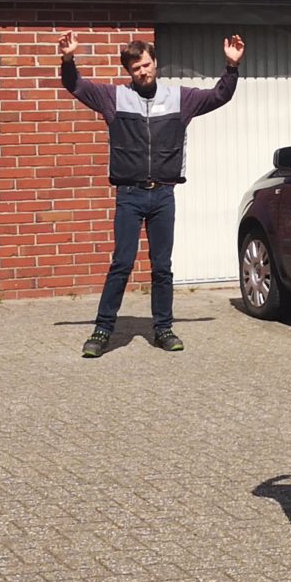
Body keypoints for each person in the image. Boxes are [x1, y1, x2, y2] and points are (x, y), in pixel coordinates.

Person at [60, 29, 243, 356]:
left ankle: (163, 329)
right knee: (122, 263)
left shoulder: (180, 99)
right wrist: (69, 59)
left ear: (155, 64)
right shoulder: (114, 98)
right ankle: (102, 330)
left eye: (145, 65)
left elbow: (219, 96)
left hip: (163, 196)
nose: (142, 72)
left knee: (162, 266)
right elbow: (76, 86)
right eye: (135, 68)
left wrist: (231, 67)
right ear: (129, 72)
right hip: (129, 195)